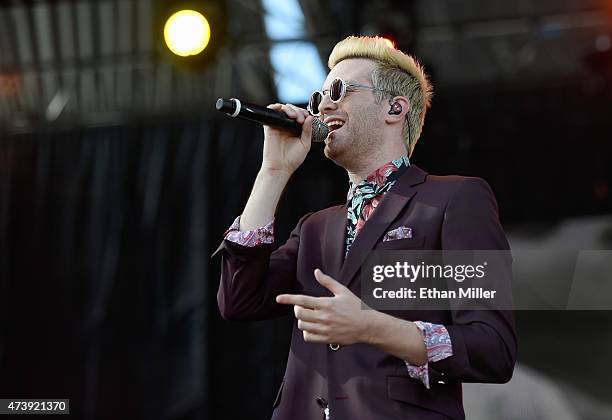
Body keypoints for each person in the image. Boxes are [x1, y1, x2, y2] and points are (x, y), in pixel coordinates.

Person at [213, 36, 517, 420]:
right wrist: (273, 172)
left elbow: (493, 348)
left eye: (339, 90)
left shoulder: (454, 199)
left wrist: (372, 326)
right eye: (318, 97)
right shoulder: (314, 229)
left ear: (394, 107)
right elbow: (238, 300)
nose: (323, 105)